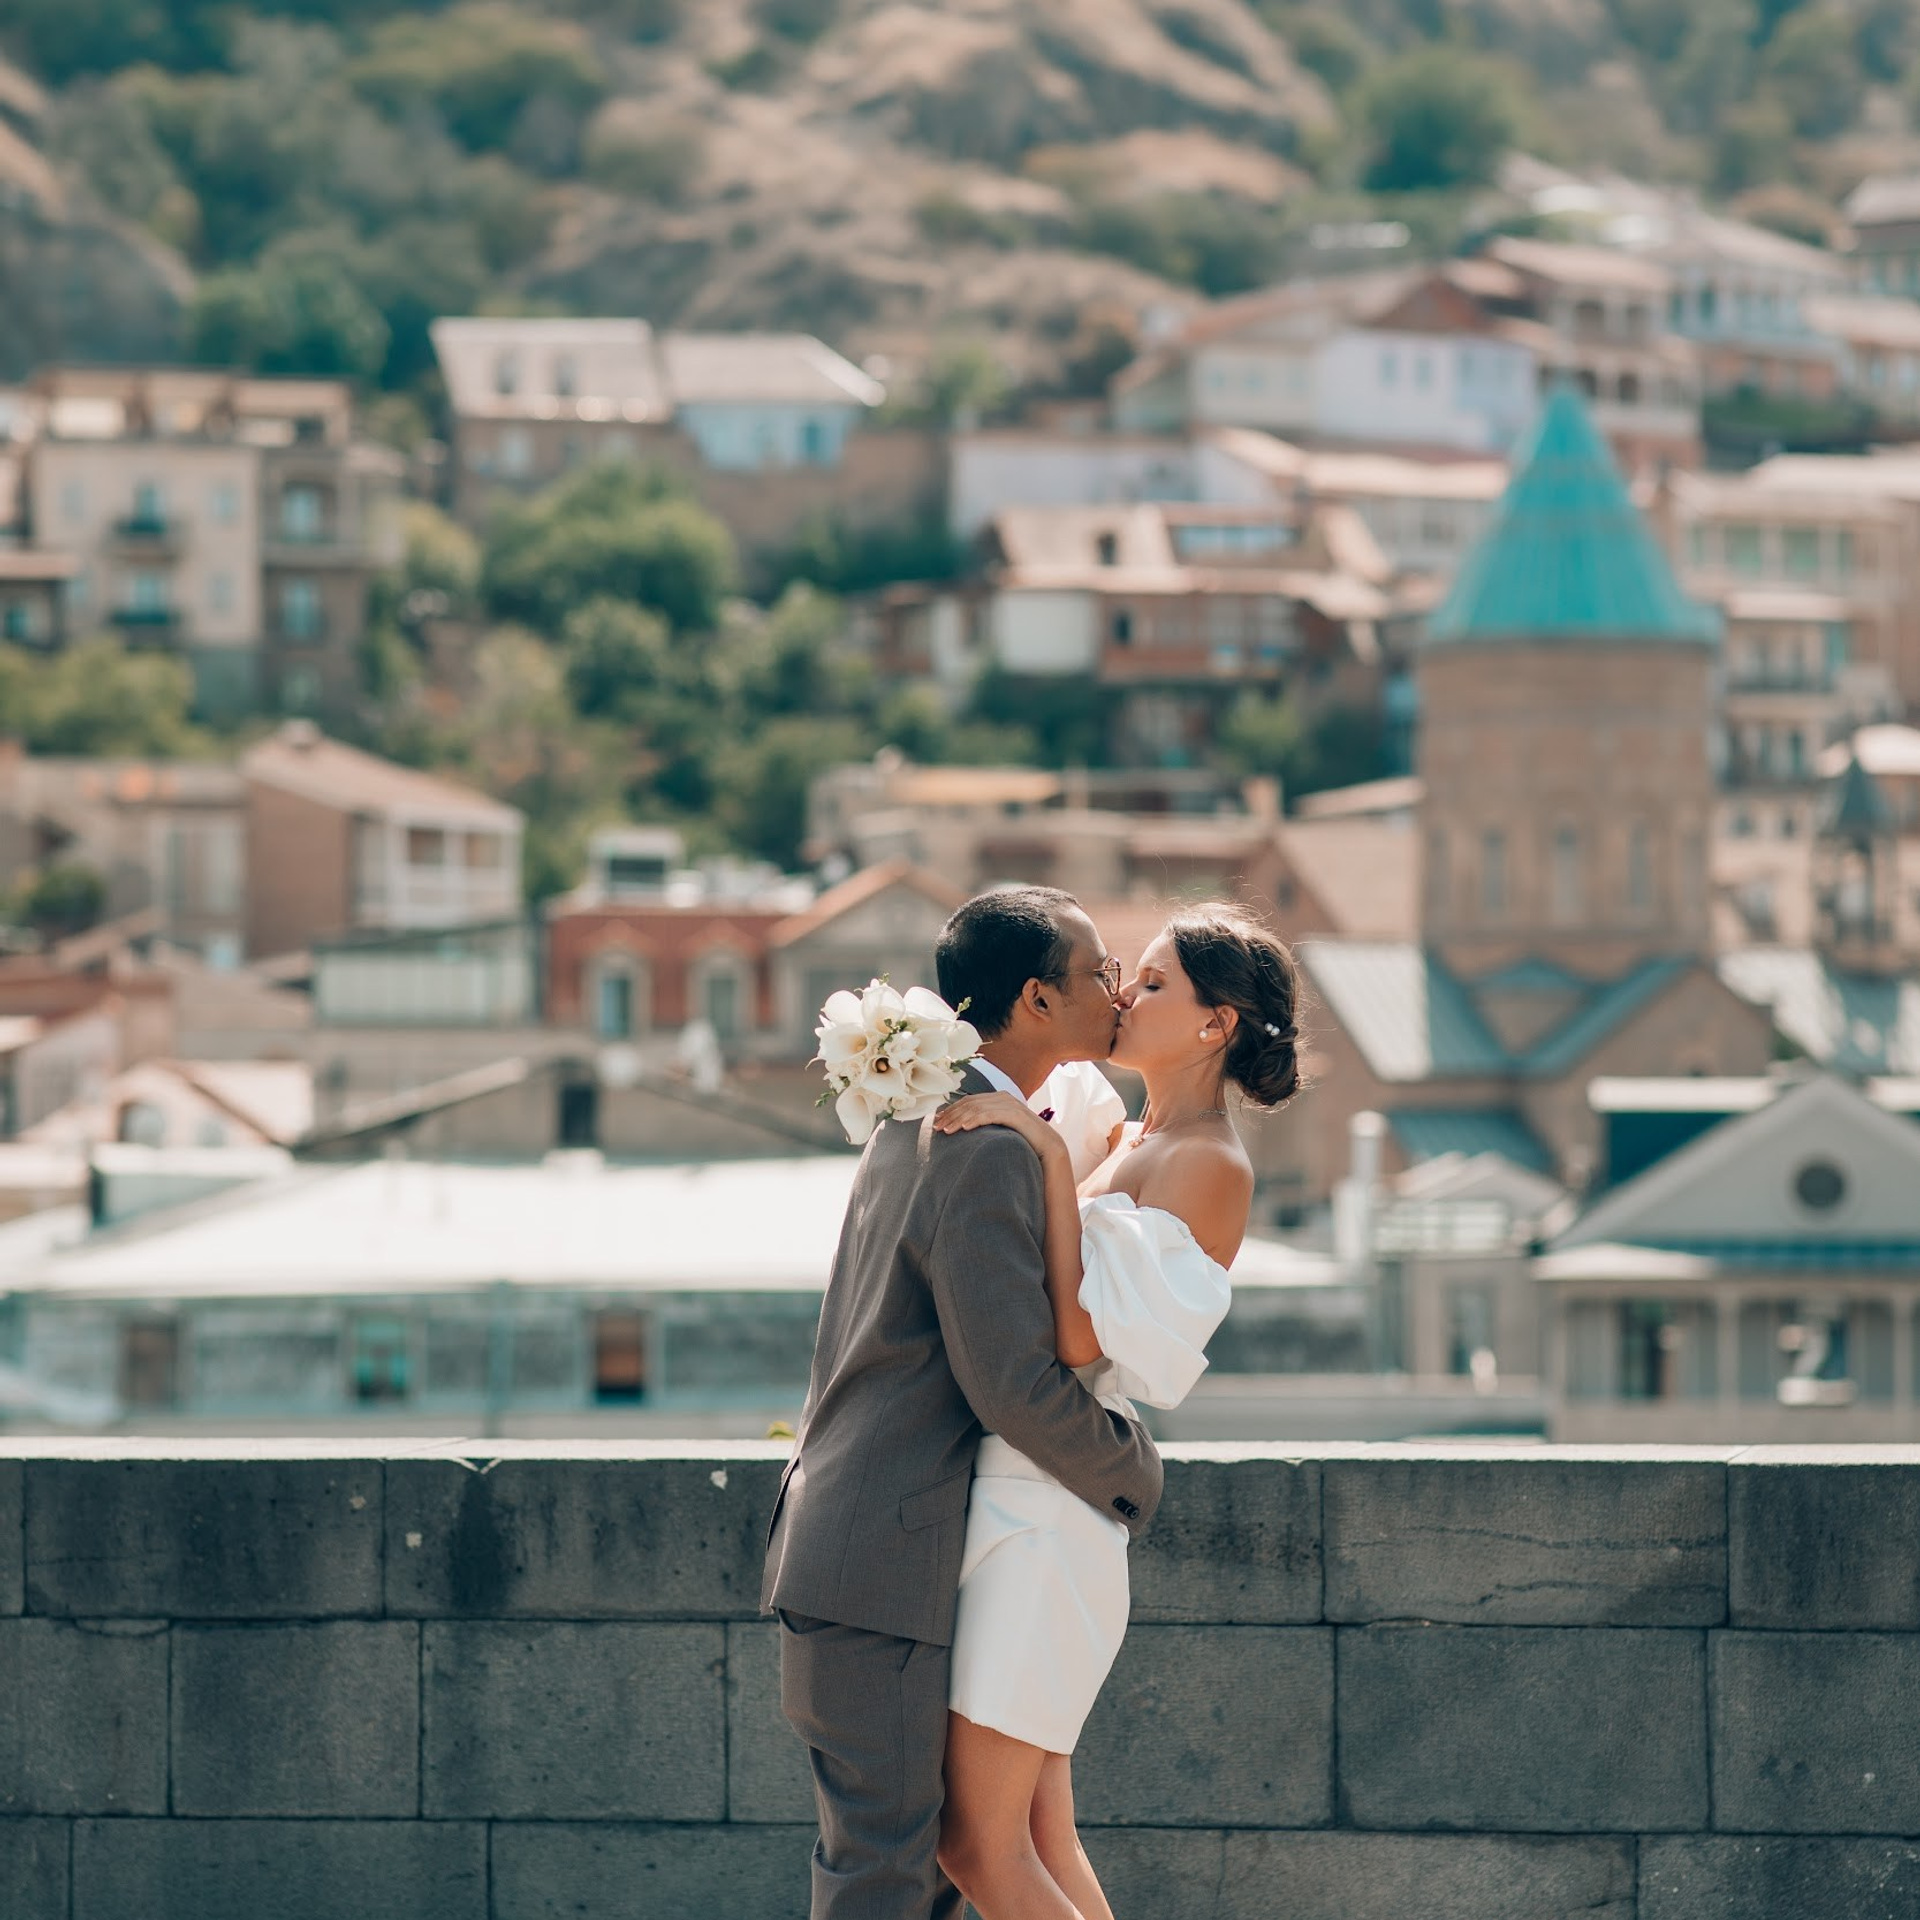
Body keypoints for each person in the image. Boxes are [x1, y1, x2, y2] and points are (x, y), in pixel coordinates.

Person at [762, 884, 1165, 1920]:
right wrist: (1133, 1472)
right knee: (886, 1877)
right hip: (880, 1563)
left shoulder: (921, 1116)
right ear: (1037, 999)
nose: (1119, 992)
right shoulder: (980, 1148)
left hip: (864, 1551)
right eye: (1099, 974)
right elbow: (1013, 1384)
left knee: (923, 1872)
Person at [929, 902, 1303, 1920]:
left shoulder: (1209, 1163)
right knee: (1038, 1836)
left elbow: (1080, 1337)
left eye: (1154, 981)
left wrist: (1046, 1157)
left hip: (1050, 1520)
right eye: (1126, 973)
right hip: (1020, 1493)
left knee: (975, 1845)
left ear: (1216, 1023)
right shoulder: (1130, 1133)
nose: (1126, 993)